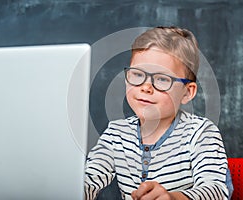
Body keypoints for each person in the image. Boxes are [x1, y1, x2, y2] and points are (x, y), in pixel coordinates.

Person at [85, 26, 233, 200]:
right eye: (138, 74)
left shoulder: (200, 132)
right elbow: (88, 182)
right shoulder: (116, 134)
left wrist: (173, 198)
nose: (146, 87)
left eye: (162, 79)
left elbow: (216, 190)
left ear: (187, 93)